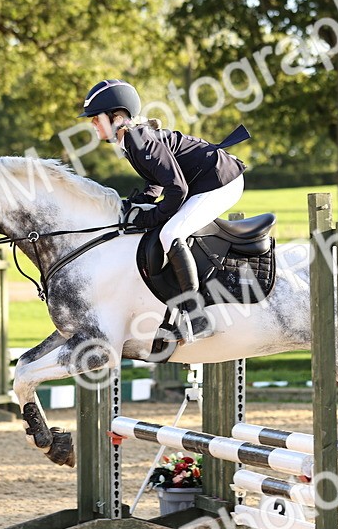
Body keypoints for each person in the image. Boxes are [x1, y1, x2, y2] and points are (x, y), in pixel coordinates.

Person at [79, 79, 248, 343]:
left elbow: (177, 189)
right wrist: (138, 204)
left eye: (95, 118)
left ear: (116, 116)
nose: (92, 123)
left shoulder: (137, 139)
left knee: (170, 233)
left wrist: (153, 216)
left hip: (221, 182)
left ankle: (197, 317)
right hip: (203, 182)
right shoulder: (131, 140)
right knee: (162, 229)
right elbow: (157, 180)